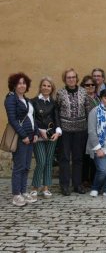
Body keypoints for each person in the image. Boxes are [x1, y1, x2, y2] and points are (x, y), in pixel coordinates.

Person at [5, 73, 39, 206]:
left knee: (26, 167)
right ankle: (16, 195)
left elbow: (32, 118)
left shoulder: (27, 100)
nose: (22, 85)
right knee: (19, 167)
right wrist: (23, 135)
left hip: (30, 137)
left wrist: (35, 132)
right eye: (19, 83)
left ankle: (24, 191)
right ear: (14, 85)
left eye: (24, 83)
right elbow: (12, 120)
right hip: (20, 138)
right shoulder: (11, 99)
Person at [56, 68, 90, 196]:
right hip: (65, 130)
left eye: (73, 77)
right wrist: (58, 127)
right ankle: (64, 185)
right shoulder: (60, 93)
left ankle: (77, 184)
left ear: (77, 78)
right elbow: (57, 112)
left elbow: (87, 110)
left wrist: (88, 128)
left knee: (78, 158)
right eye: (68, 77)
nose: (71, 79)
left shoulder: (83, 92)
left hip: (80, 130)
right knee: (64, 158)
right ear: (65, 79)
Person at [30, 77, 62, 200]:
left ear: (51, 88)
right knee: (41, 161)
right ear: (40, 87)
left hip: (51, 135)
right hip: (38, 136)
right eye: (44, 85)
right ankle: (34, 187)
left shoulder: (54, 103)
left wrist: (57, 132)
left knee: (49, 161)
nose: (46, 88)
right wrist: (38, 131)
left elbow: (57, 119)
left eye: (49, 86)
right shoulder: (33, 102)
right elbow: (31, 119)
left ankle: (46, 187)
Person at [80, 75, 100, 187]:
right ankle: (84, 179)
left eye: (93, 84)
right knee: (85, 156)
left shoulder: (97, 98)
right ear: (83, 86)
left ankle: (93, 178)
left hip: (96, 131)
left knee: (94, 155)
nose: (90, 86)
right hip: (85, 130)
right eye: (87, 85)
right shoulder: (83, 98)